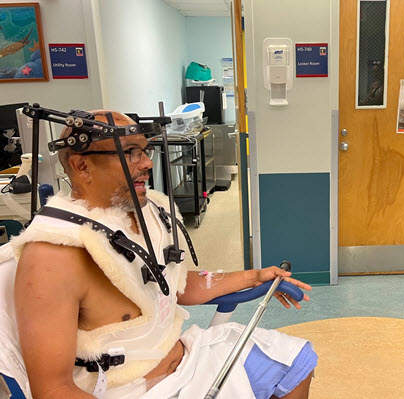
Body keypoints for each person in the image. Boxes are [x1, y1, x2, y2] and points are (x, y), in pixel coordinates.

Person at [10, 110, 317, 398]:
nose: (145, 163)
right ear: (81, 166)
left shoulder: (146, 213)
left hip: (186, 355)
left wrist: (253, 276)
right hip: (132, 388)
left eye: (145, 150)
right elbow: (52, 390)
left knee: (297, 363)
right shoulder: (52, 258)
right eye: (129, 152)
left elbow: (173, 284)